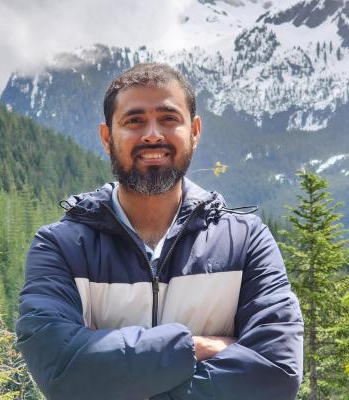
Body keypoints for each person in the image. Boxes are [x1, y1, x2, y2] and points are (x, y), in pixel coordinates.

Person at [16, 63, 303, 400]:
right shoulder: (60, 247)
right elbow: (61, 371)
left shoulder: (245, 242)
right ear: (107, 138)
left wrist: (107, 372)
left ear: (194, 131)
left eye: (168, 118)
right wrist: (193, 346)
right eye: (134, 121)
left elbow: (275, 373)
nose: (152, 134)